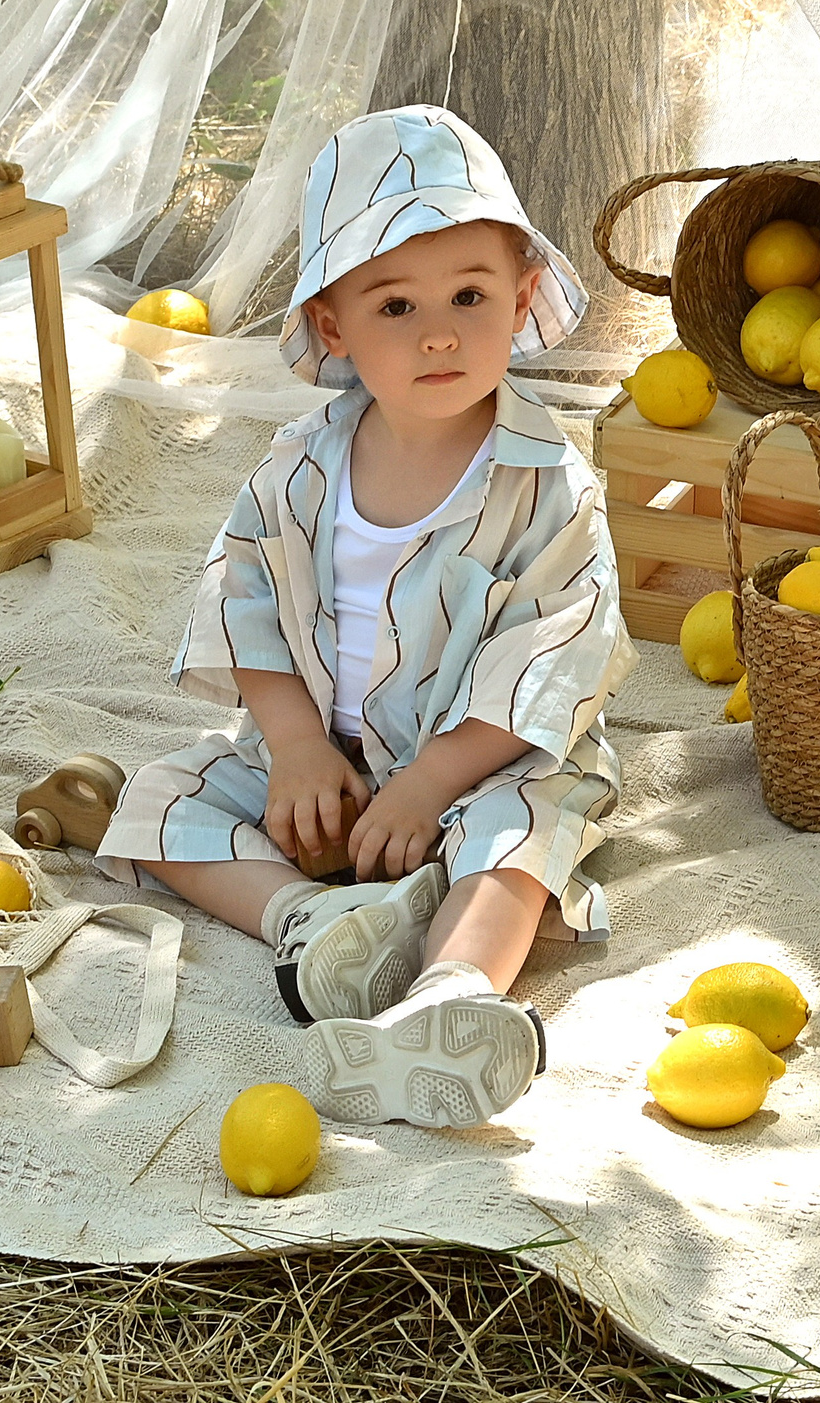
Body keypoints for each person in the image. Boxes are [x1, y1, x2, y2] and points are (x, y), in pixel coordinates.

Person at [95, 104, 636, 1128]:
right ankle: (317, 928)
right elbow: (242, 597)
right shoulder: (300, 465)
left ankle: (452, 995)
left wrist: (433, 782)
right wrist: (295, 748)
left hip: (482, 756)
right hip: (332, 760)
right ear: (334, 327)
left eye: (470, 297)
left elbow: (552, 656)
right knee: (163, 798)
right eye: (394, 309)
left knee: (522, 831)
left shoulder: (549, 483)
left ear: (521, 302)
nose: (439, 333)